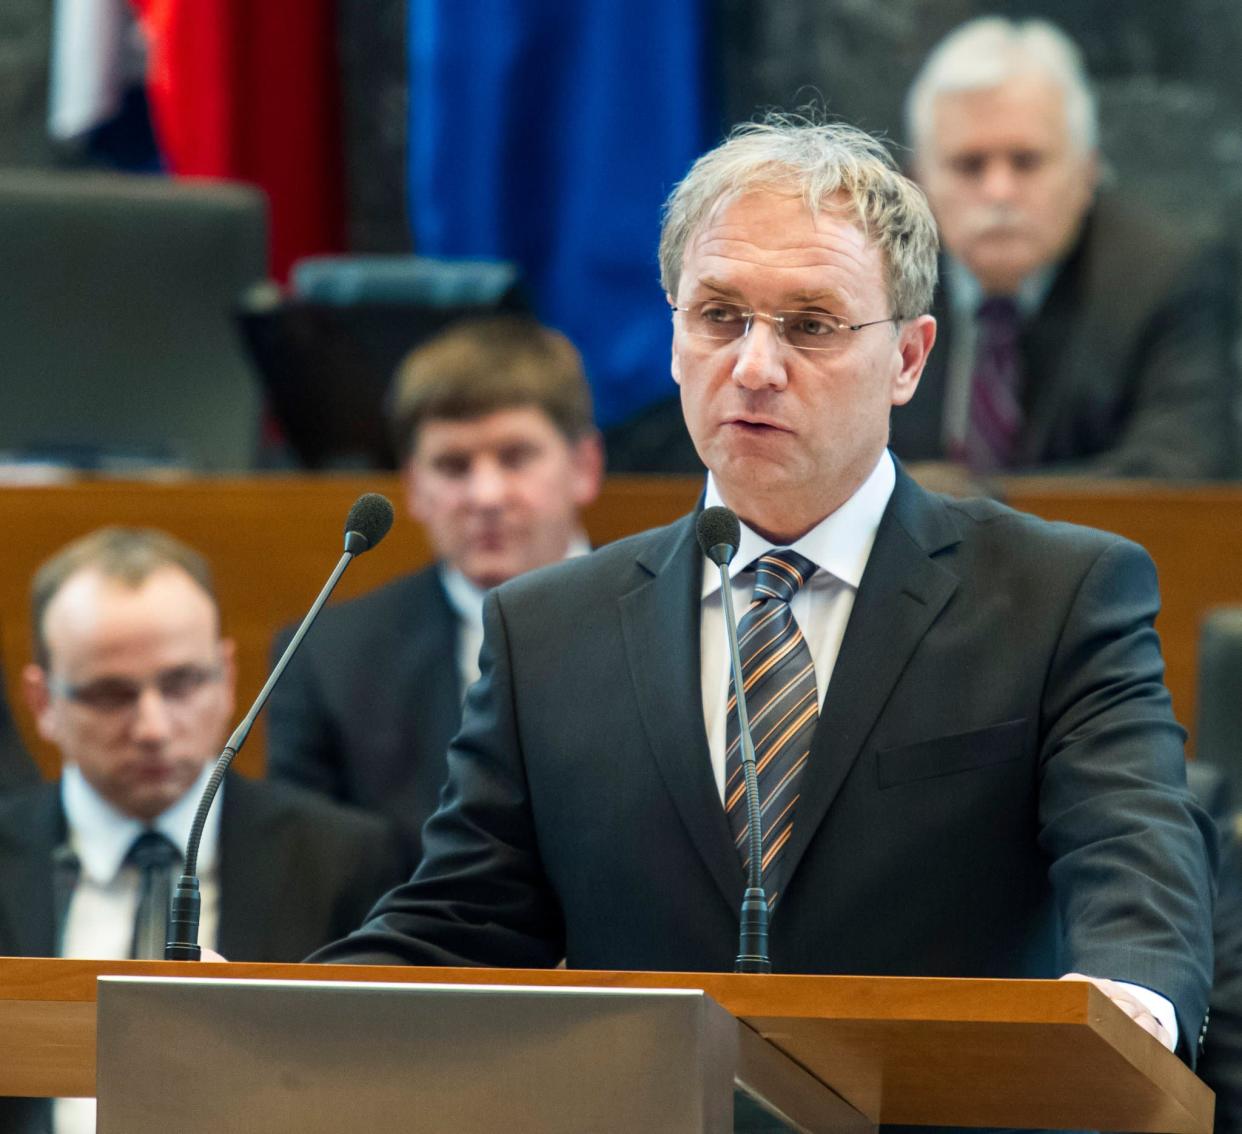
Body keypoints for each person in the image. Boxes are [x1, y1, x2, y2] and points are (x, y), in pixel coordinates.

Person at [311, 114, 1215, 1069]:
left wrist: (1128, 1010)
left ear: (908, 358)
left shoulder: (1056, 595)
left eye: (811, 325)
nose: (752, 366)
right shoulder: (548, 630)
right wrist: (242, 1009)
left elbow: (1134, 857)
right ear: (672, 337)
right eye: (718, 316)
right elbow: (460, 926)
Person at [265, 314, 604, 857]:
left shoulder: (675, 623)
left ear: (584, 466)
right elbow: (309, 881)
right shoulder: (328, 661)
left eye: (515, 458)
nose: (486, 495)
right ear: (414, 488)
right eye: (453, 466)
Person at [890, 16, 1238, 478]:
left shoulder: (1162, 278)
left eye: (1026, 162)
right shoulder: (874, 279)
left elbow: (1181, 476)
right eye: (969, 165)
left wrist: (969, 510)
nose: (999, 192)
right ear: (919, 181)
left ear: (1088, 171)